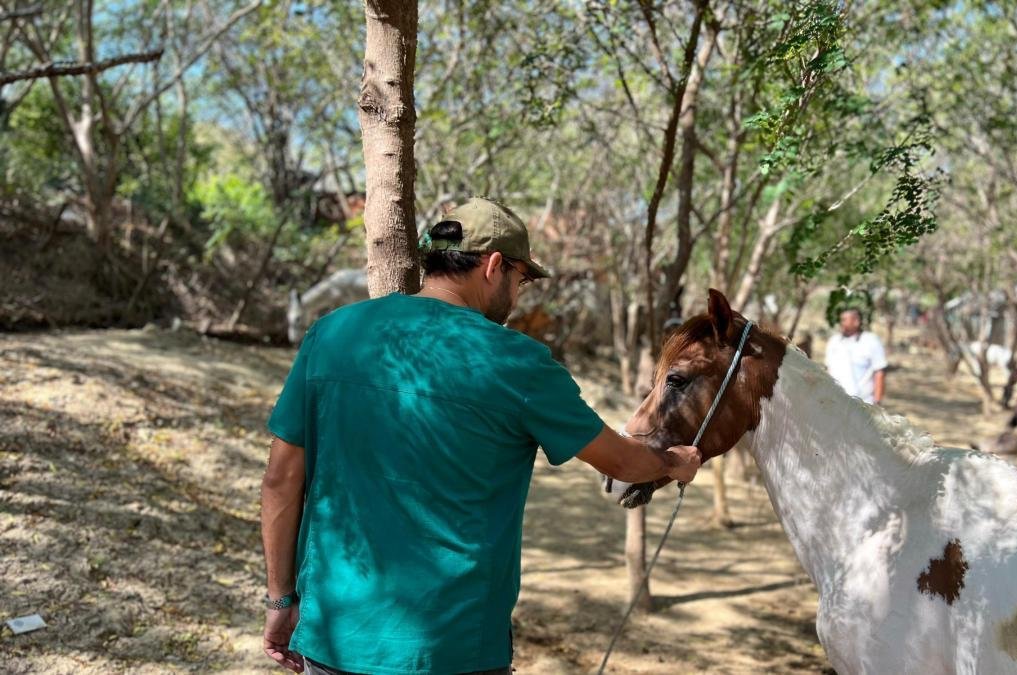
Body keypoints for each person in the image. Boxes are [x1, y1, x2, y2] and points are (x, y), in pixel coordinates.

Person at [259, 197, 702, 675]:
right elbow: (622, 463)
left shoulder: (333, 334)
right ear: (494, 266)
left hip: (334, 640)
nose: (519, 293)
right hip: (454, 648)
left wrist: (280, 598)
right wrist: (673, 463)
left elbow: (281, 480)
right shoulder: (518, 363)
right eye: (522, 278)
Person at [824, 307, 888, 405]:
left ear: (856, 322)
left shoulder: (871, 341)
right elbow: (828, 371)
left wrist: (877, 402)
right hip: (835, 402)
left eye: (845, 320)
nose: (842, 323)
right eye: (841, 320)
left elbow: (879, 373)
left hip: (863, 404)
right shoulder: (834, 341)